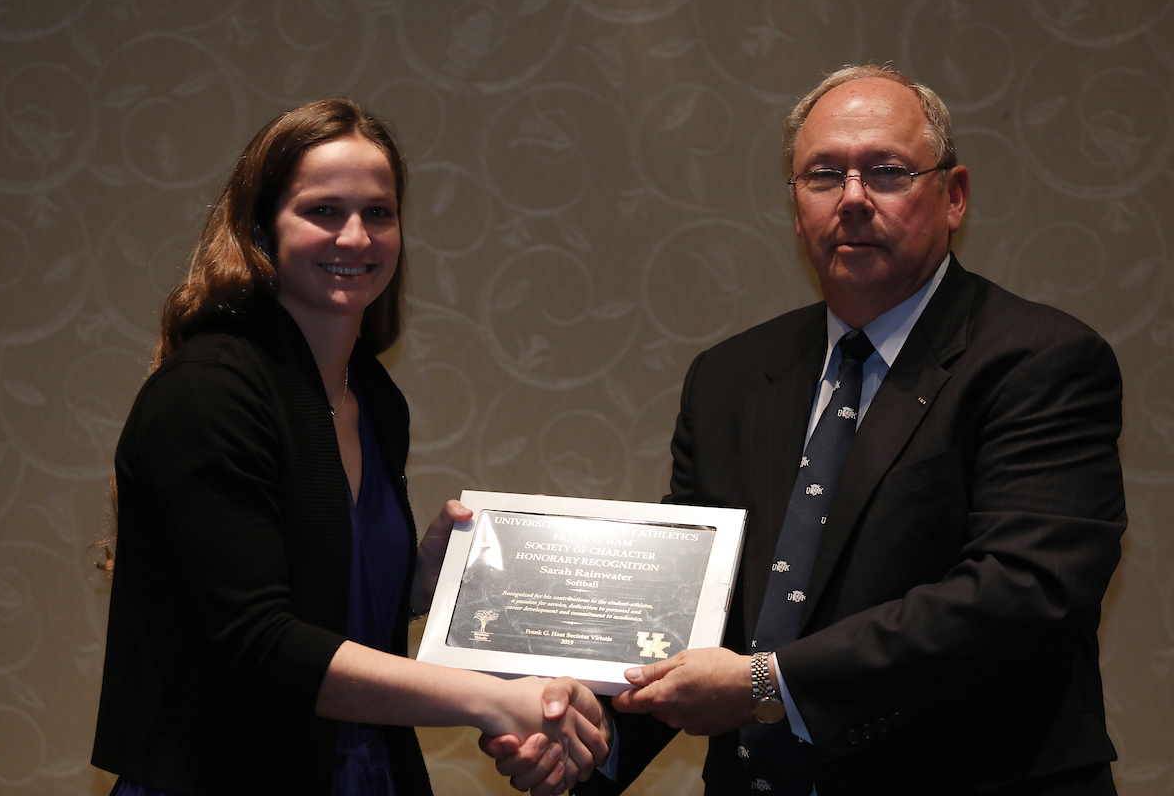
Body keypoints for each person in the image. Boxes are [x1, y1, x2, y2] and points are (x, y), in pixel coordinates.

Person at [486, 65, 1126, 794]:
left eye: (886, 171)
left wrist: (768, 684)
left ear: (953, 197)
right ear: (795, 207)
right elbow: (695, 610)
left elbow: (1024, 594)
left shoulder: (1040, 360)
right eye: (823, 175)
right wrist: (591, 743)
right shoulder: (729, 378)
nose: (852, 198)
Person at [91, 98, 608, 796]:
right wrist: (490, 696)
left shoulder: (372, 398)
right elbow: (261, 645)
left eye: (380, 213)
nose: (357, 237)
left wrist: (419, 585)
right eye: (323, 211)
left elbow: (325, 604)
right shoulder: (209, 392)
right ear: (260, 229)